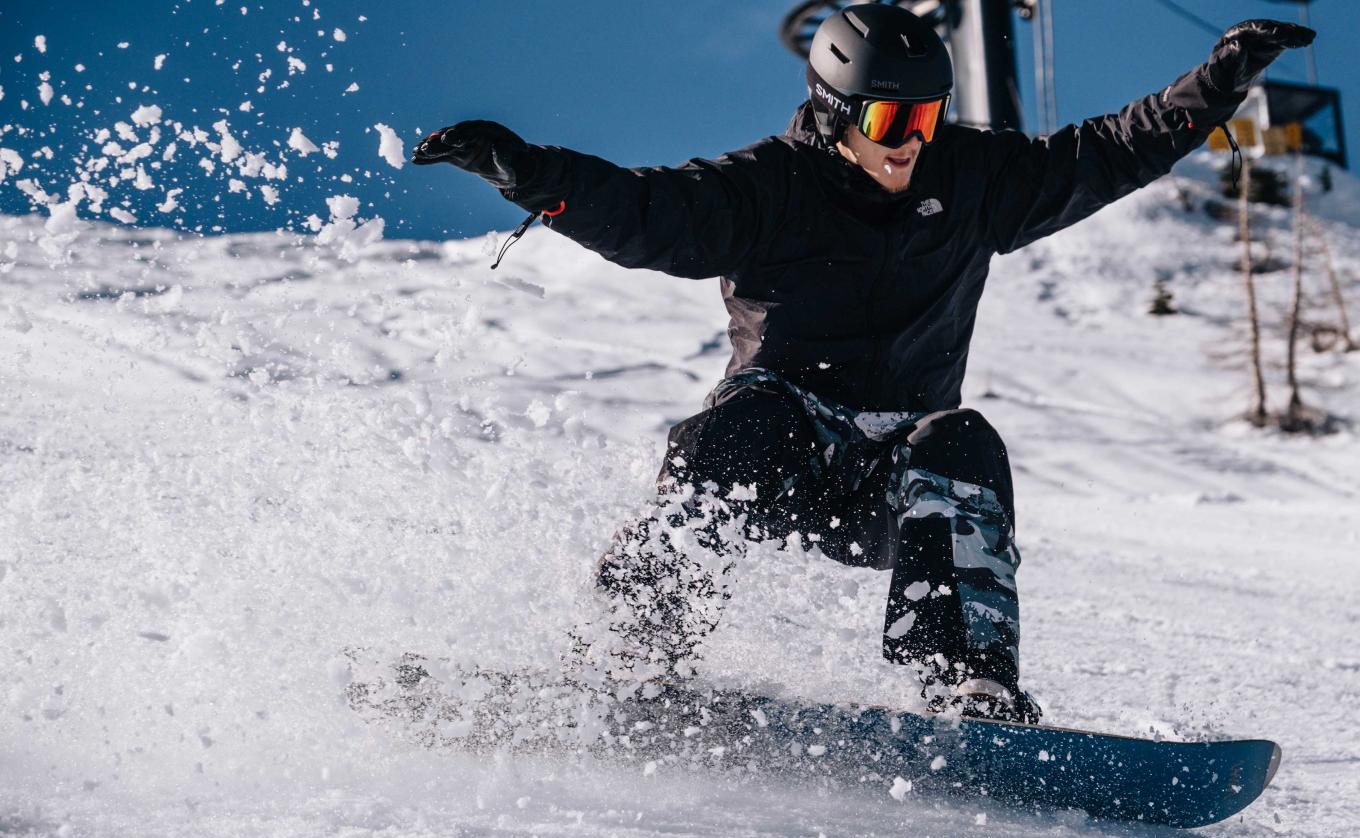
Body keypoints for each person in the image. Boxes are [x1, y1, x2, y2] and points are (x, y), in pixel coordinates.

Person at [412, 5, 1314, 723]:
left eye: (927, 114)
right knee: (742, 419)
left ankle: (968, 686)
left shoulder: (975, 179)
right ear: (841, 113)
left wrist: (1220, 80)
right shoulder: (770, 185)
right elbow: (648, 212)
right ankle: (633, 645)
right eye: (891, 117)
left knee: (963, 441)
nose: (911, 137)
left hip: (898, 478)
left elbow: (1113, 148)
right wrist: (530, 172)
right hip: (785, 455)